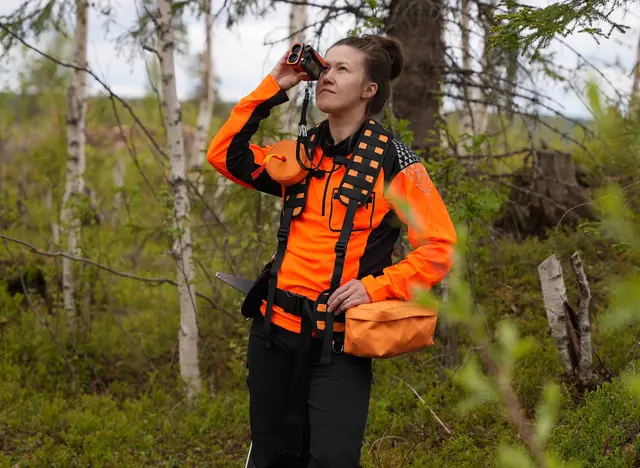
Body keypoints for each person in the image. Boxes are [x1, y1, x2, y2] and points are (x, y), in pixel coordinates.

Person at [207, 34, 457, 468]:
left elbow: (439, 246)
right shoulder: (302, 154)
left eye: (343, 69)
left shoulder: (393, 162)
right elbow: (225, 155)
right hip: (271, 334)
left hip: (338, 346)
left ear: (369, 90)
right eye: (327, 67)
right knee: (270, 457)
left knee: (333, 460)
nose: (327, 75)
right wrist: (276, 83)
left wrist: (376, 287)